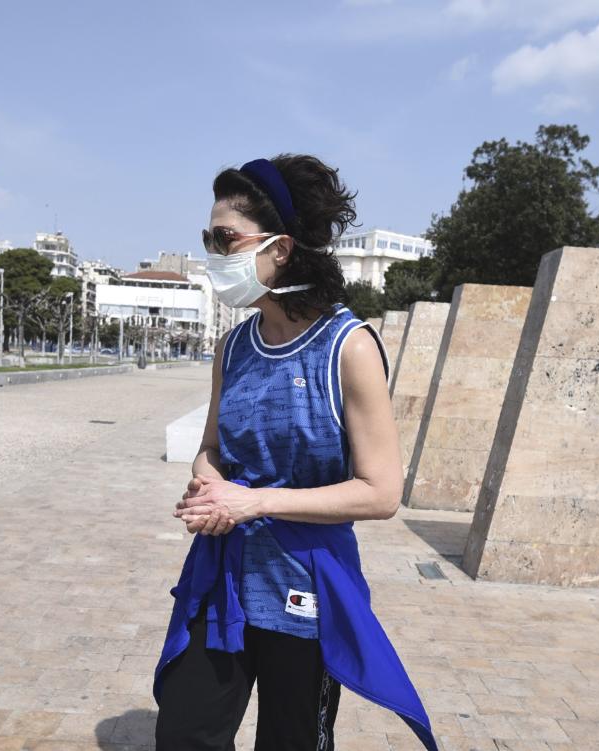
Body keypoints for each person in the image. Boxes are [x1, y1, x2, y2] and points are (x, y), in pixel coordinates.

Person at [154, 156, 437, 751]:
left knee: (291, 741)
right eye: (208, 238)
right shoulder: (233, 347)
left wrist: (253, 501)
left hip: (305, 587)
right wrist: (208, 485)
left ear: (280, 249)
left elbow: (380, 491)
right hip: (223, 576)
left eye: (224, 238)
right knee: (185, 732)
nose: (211, 251)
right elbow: (211, 447)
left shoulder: (348, 347)